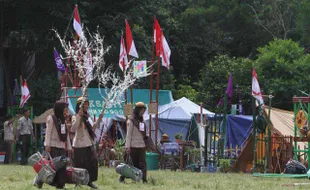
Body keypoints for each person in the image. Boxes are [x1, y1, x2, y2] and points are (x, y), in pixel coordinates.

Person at [35, 101, 72, 189]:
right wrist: (47, 145)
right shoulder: (51, 119)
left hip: (61, 147)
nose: (66, 111)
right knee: (50, 167)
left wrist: (69, 147)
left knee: (62, 167)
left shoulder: (64, 120)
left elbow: (66, 135)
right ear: (60, 109)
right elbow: (48, 132)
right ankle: (39, 180)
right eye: (64, 109)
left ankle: (60, 184)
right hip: (52, 147)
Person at [71, 97, 103, 189]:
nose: (86, 106)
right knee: (79, 165)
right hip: (79, 145)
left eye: (87, 104)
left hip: (89, 143)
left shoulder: (88, 116)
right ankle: (77, 183)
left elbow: (93, 128)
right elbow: (73, 128)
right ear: (79, 106)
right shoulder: (75, 116)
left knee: (93, 161)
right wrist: (79, 116)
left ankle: (90, 181)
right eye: (84, 104)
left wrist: (99, 119)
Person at [121, 102, 148, 183]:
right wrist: (127, 146)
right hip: (133, 146)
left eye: (144, 110)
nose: (142, 112)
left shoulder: (142, 120)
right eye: (141, 110)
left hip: (142, 146)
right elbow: (128, 135)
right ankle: (122, 178)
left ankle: (144, 179)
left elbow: (145, 132)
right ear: (137, 110)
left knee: (142, 164)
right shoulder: (131, 120)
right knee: (130, 165)